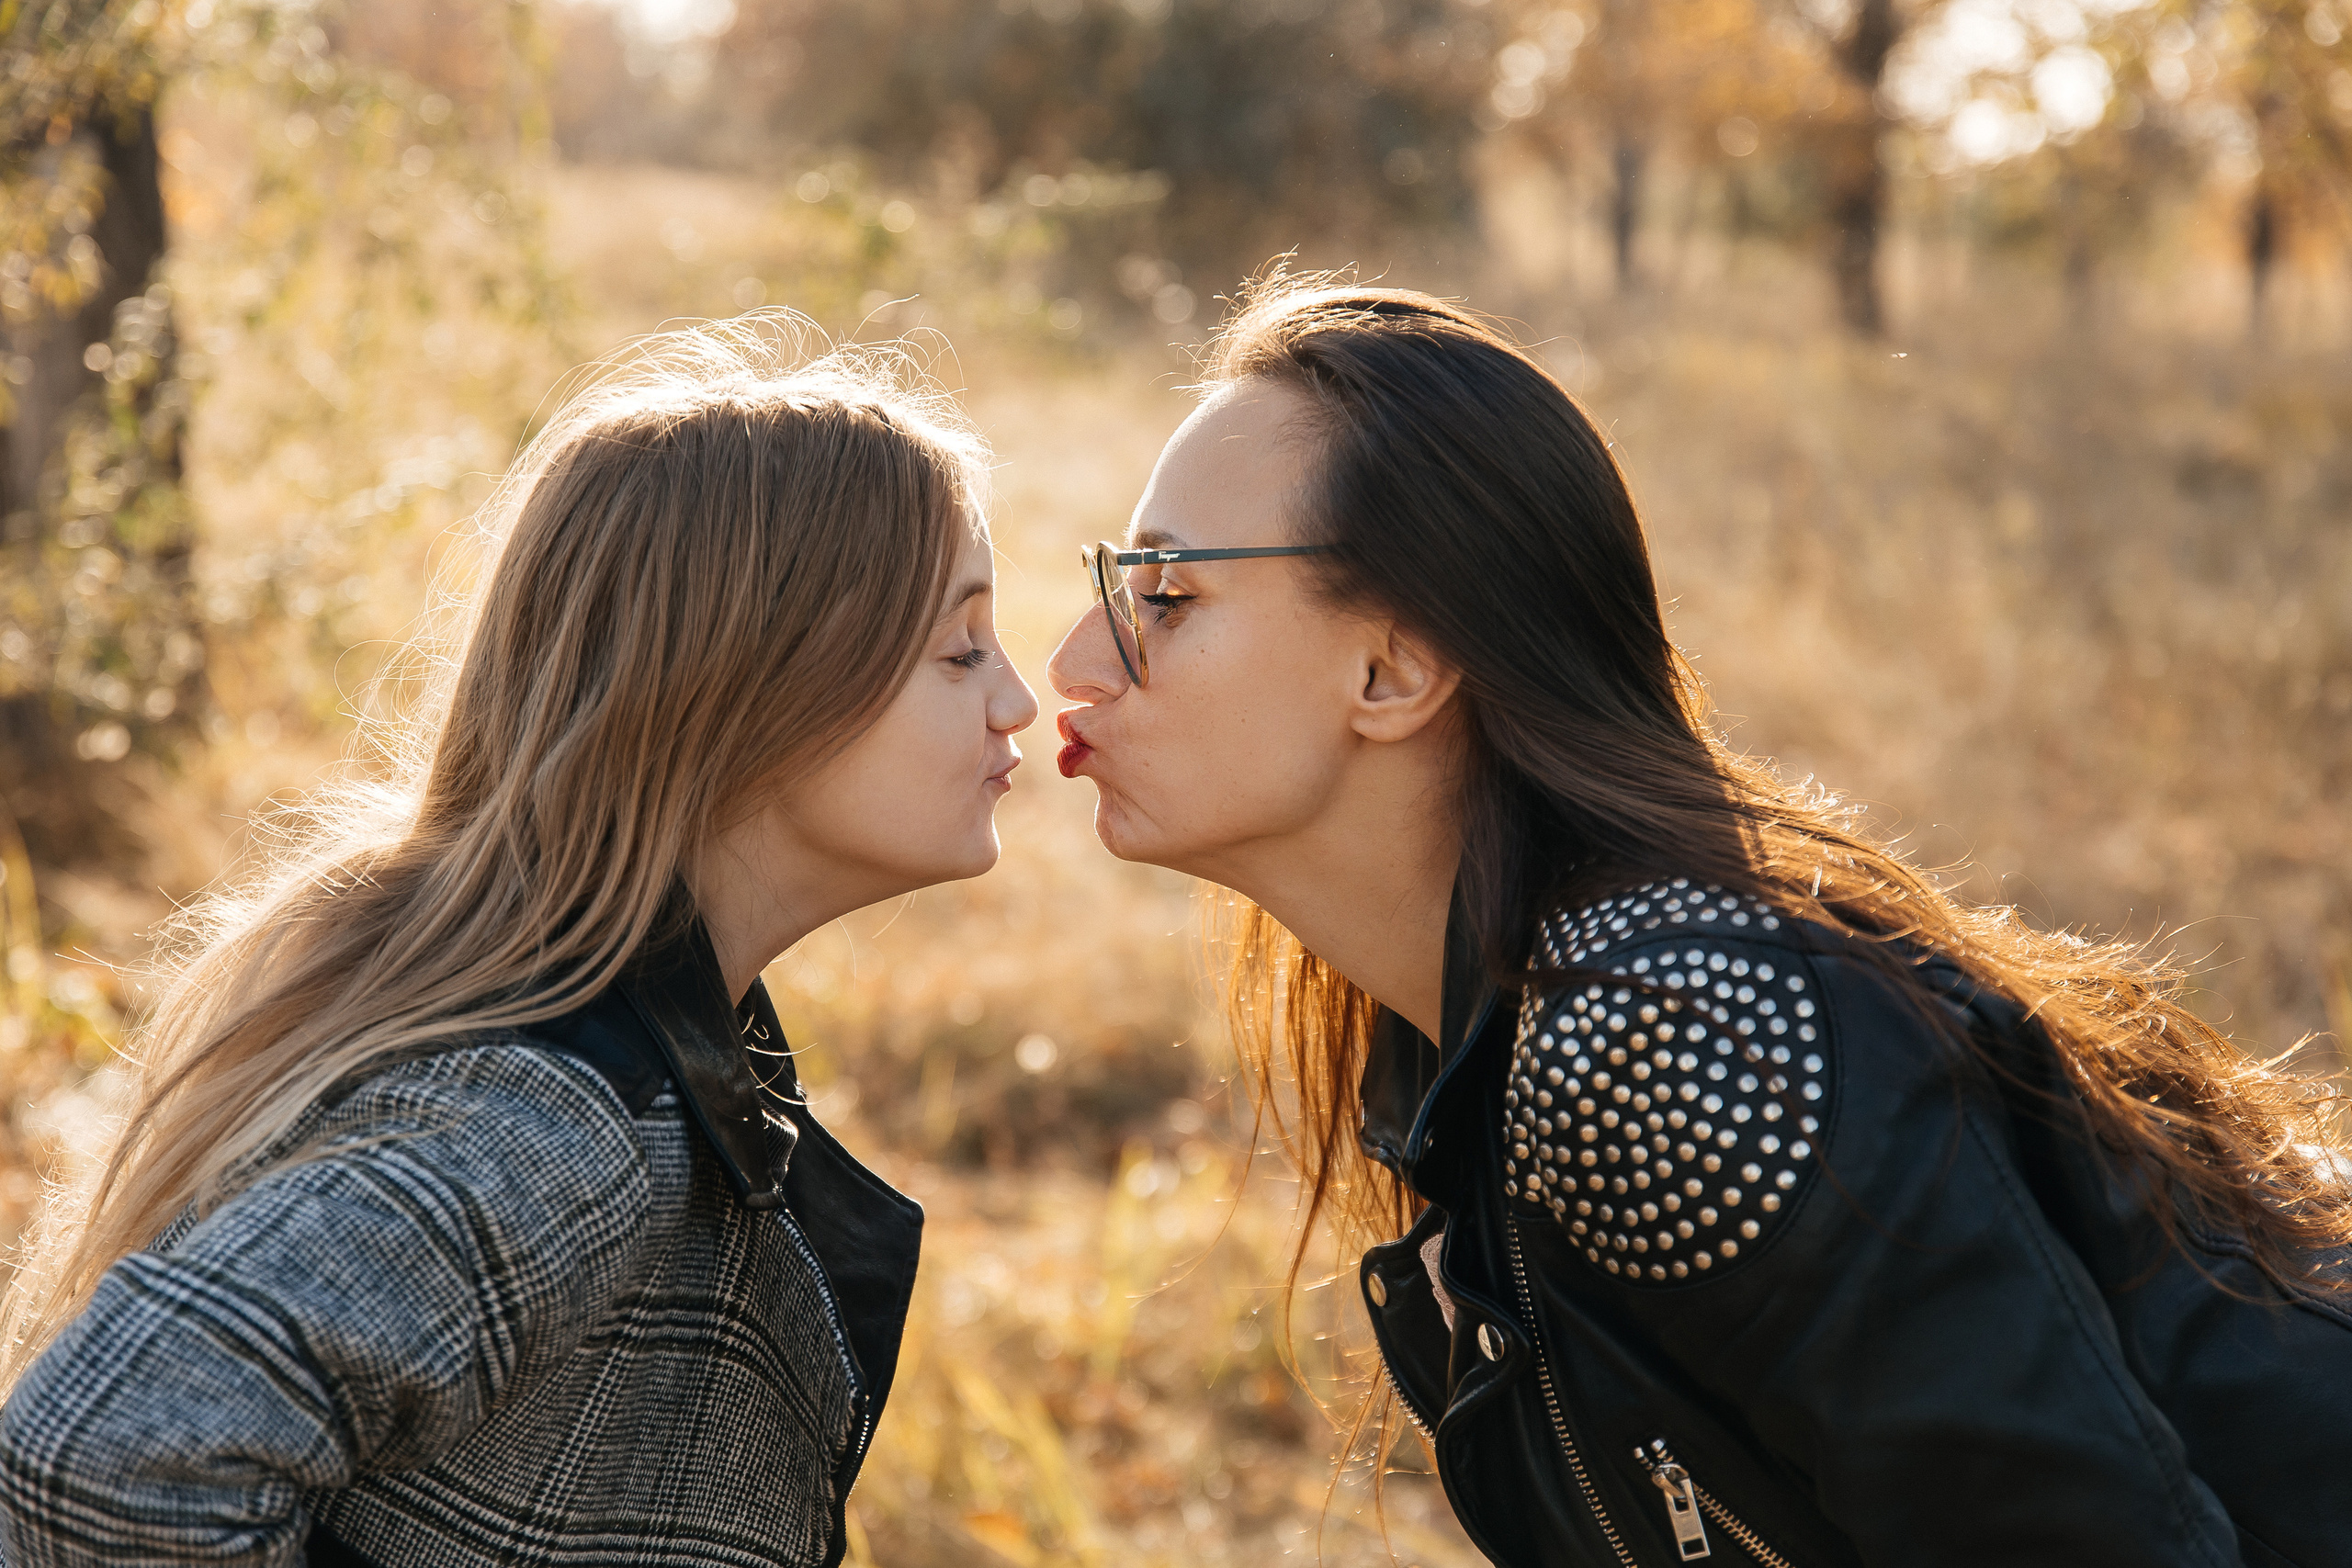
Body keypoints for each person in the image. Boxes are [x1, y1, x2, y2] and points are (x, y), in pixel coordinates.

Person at [1045, 277, 2352, 1567]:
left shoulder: (1671, 1037)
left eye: (1165, 595)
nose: (1074, 663)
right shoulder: (1472, 1030)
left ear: (1394, 669)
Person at [0, 319, 1039, 1567]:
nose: (1017, 699)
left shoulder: (609, 1050)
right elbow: (103, 1459)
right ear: (753, 689)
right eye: (960, 650)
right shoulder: (553, 1120)